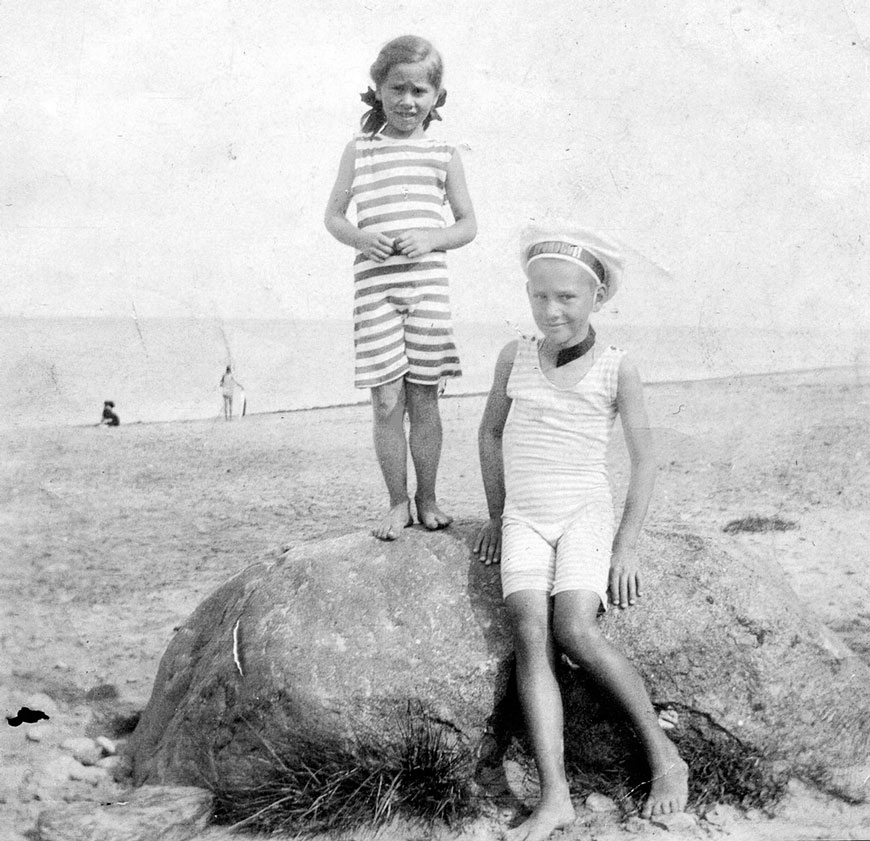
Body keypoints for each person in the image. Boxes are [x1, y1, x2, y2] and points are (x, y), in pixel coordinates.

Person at [474, 225, 688, 840]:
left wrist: (624, 547)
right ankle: (556, 797)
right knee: (528, 632)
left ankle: (663, 755)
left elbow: (645, 459)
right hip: (525, 517)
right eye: (540, 297)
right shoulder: (514, 356)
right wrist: (496, 513)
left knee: (573, 625)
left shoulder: (618, 367)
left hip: (584, 513)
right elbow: (489, 434)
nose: (552, 310)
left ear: (597, 297)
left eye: (567, 297)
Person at [324, 34, 477, 540]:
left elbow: (467, 224)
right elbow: (333, 216)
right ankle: (396, 501)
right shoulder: (360, 150)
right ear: (379, 89)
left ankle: (428, 497)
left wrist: (431, 237)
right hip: (375, 291)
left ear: (436, 97)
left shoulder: (444, 153)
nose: (407, 101)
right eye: (397, 89)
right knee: (386, 401)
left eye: (419, 91)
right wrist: (361, 238)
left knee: (425, 399)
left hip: (427, 290)